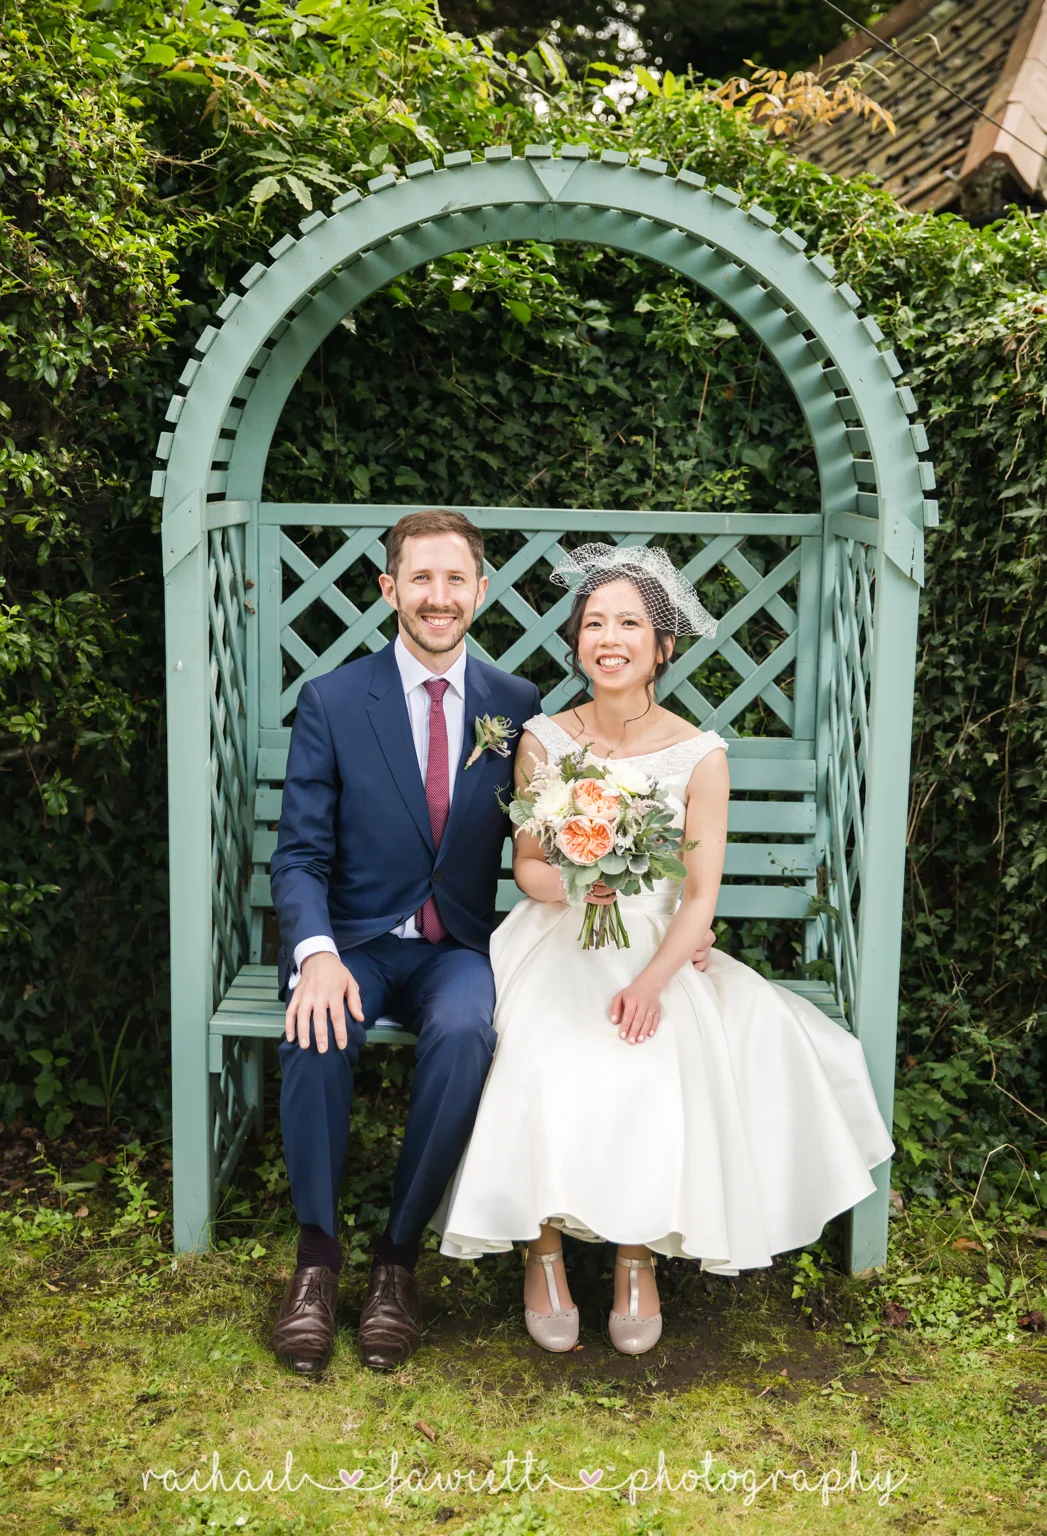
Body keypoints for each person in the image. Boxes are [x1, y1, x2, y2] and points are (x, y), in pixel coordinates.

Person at [267, 512, 719, 1375]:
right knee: (314, 1031)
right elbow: (298, 855)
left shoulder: (514, 706)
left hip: (455, 951)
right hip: (355, 941)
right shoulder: (333, 699)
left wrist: (678, 919)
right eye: (420, 579)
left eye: (455, 580)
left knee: (470, 1033)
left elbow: (565, 828)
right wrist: (315, 954)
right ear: (390, 589)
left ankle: (397, 1263)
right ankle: (316, 1263)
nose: (438, 598)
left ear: (480, 591)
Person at [432, 544, 895, 1356]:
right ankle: (542, 1250)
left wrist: (651, 981)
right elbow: (529, 866)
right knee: (536, 1049)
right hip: (556, 935)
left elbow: (699, 896)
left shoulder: (698, 754)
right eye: (593, 623)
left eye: (629, 624)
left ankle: (636, 1255)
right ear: (577, 640)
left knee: (653, 1056)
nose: (608, 639)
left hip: (660, 944)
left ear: (663, 645)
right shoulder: (541, 740)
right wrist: (576, 882)